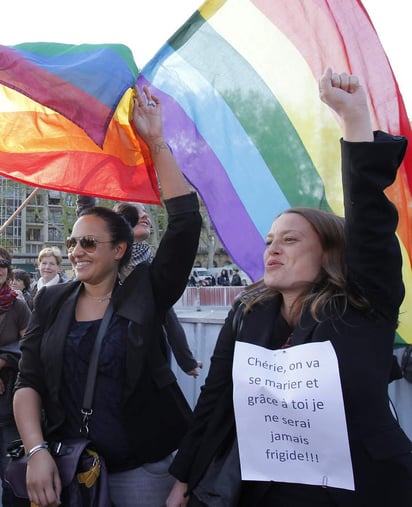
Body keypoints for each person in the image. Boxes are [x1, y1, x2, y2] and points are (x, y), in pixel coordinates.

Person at [166, 69, 412, 507]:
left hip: (362, 488)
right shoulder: (248, 311)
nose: (272, 250)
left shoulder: (364, 305)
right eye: (269, 241)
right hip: (265, 492)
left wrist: (353, 122)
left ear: (331, 253)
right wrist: (184, 479)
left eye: (291, 239)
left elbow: (370, 227)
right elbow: (217, 397)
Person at [13, 85, 202, 507]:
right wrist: (36, 451)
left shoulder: (147, 291)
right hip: (66, 468)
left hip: (140, 473)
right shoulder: (51, 300)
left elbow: (186, 224)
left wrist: (155, 140)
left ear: (119, 250)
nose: (75, 251)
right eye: (72, 242)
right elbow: (30, 381)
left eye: (89, 243)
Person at [112, 201, 202, 377]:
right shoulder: (106, 263)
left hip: (147, 358)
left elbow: (168, 314)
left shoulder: (151, 267)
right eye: (136, 211)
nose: (145, 215)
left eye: (145, 211)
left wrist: (186, 360)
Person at [0, 249, 31, 507]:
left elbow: (28, 345)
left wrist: (2, 360)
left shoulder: (18, 305)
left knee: (10, 468)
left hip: (9, 396)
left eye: (3, 264)